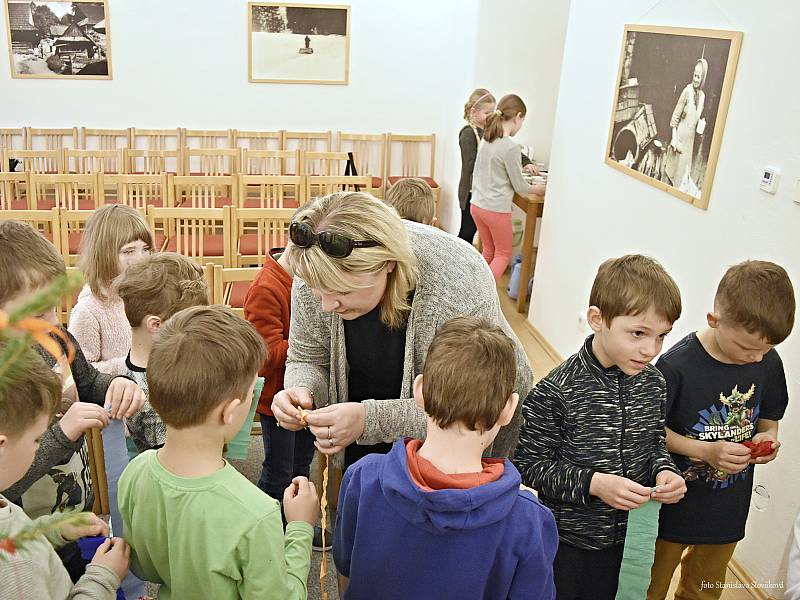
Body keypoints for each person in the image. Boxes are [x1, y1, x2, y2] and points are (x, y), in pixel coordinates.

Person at [271, 191, 532, 471]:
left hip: (462, 435)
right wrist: (302, 388)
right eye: (316, 291)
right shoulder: (315, 264)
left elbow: (463, 409)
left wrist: (369, 420)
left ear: (388, 264)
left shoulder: (458, 280)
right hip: (363, 418)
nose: (325, 305)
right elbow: (307, 357)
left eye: (342, 292)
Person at [333, 316, 558, 600]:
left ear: (419, 391)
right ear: (509, 409)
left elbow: (346, 567)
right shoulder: (529, 520)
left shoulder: (362, 478)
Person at [515, 254, 687, 600]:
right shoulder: (557, 390)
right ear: (597, 319)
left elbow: (654, 443)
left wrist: (664, 471)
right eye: (638, 333)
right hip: (569, 543)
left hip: (630, 539)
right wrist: (593, 483)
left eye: (661, 337)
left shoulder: (654, 383)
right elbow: (527, 466)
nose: (650, 349)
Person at [119, 306, 318, 599]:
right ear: (230, 412)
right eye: (252, 393)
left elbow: (144, 567)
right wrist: (300, 528)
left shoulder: (135, 473)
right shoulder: (257, 513)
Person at [0, 219, 143, 581]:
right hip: (25, 537)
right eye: (36, 314)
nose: (52, 322)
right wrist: (63, 432)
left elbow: (90, 381)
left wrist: (117, 384)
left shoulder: (57, 341)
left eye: (53, 308)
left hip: (73, 514)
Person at [646, 260, 795, 600]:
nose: (757, 358)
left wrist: (767, 439)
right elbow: (652, 432)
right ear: (714, 321)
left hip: (726, 507)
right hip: (673, 503)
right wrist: (706, 451)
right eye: (746, 348)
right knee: (650, 585)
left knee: (705, 587)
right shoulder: (676, 366)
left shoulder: (768, 363)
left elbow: (769, 419)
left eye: (766, 349)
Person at [67, 204, 152, 599]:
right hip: (114, 421)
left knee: (149, 499)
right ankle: (129, 586)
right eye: (127, 251)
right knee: (123, 507)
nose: (139, 259)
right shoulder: (89, 309)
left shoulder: (141, 295)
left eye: (143, 248)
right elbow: (81, 374)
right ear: (104, 254)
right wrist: (135, 361)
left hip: (147, 411)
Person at [0, 344, 131, 600]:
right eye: (38, 438)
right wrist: (103, 576)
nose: (40, 444)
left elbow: (15, 535)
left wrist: (53, 529)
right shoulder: (15, 568)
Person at [115, 252, 209, 454]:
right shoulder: (151, 398)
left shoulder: (155, 356)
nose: (196, 330)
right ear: (156, 324)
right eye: (189, 324)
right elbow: (176, 462)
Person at [471, 94, 542, 280]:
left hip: (477, 205)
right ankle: (482, 296)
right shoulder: (510, 147)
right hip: (495, 209)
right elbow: (520, 186)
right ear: (518, 117)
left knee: (488, 251)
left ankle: (473, 291)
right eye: (523, 121)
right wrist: (540, 189)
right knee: (502, 255)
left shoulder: (487, 139)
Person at [458, 89, 538, 245]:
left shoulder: (491, 132)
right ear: (473, 112)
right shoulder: (468, 133)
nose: (492, 116)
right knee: (467, 233)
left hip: (484, 193)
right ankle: (455, 263)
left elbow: (506, 150)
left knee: (478, 235)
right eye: (487, 113)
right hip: (471, 192)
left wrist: (526, 161)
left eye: (493, 112)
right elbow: (471, 166)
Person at [664, 58, 707, 192]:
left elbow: (695, 120)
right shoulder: (686, 91)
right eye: (694, 75)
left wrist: (701, 124)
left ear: (703, 79)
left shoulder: (702, 97)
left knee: (681, 181)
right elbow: (675, 117)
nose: (695, 79)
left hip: (689, 145)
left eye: (698, 77)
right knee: (670, 177)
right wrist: (674, 138)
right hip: (678, 141)